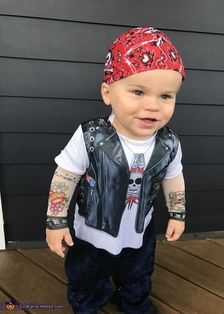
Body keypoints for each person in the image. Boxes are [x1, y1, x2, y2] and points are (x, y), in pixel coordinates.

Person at [46, 26, 186, 314]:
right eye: (138, 91)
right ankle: (87, 305)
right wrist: (55, 222)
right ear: (108, 93)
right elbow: (66, 176)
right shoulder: (91, 137)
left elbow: (174, 176)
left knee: (138, 274)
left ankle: (134, 302)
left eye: (165, 96)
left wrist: (178, 212)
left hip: (140, 231)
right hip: (91, 234)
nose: (152, 105)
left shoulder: (168, 142)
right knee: (86, 278)